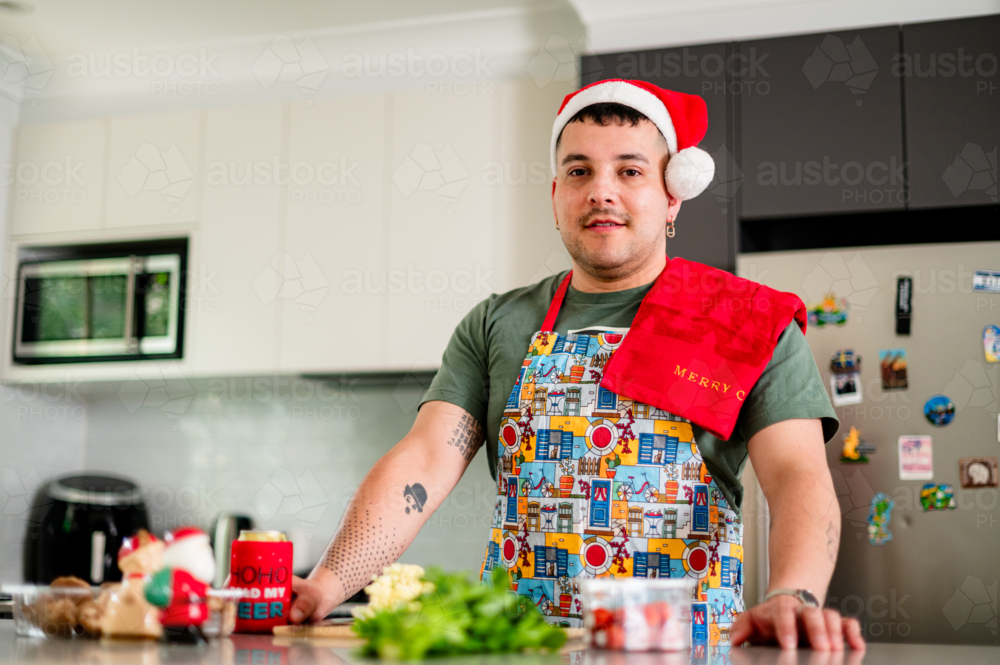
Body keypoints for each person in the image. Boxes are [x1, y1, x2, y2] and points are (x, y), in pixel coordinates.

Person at [290, 79, 865, 652]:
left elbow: (796, 476)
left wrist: (795, 594)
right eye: (579, 171)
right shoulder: (497, 323)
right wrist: (328, 585)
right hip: (520, 646)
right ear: (556, 194)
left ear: (672, 196)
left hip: (685, 648)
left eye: (630, 171)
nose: (601, 192)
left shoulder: (743, 321)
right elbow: (424, 460)